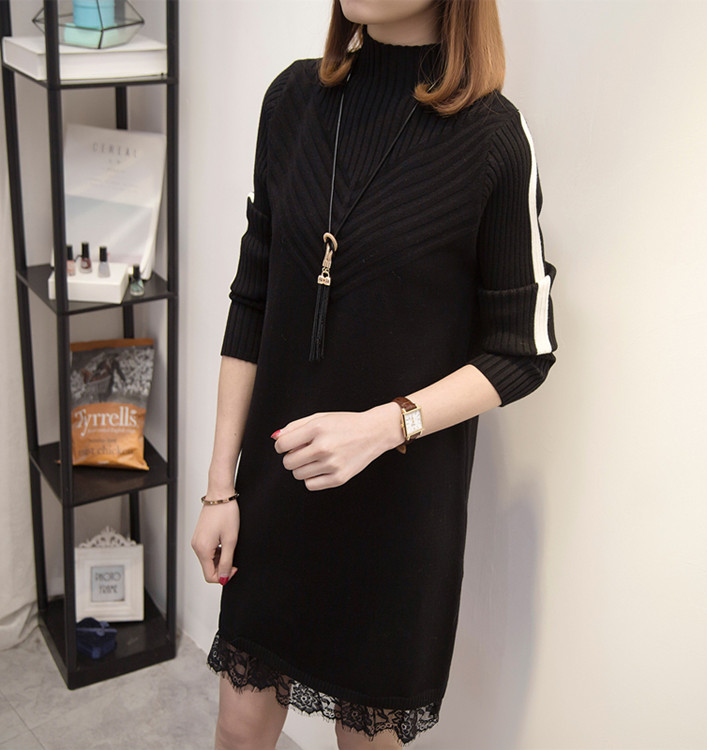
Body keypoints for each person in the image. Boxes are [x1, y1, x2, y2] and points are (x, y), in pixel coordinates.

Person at [191, 1, 557, 748]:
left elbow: (525, 348)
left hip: (399, 517)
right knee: (238, 728)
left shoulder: (493, 137)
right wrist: (221, 486)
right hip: (278, 493)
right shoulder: (292, 102)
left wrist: (386, 426)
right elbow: (252, 300)